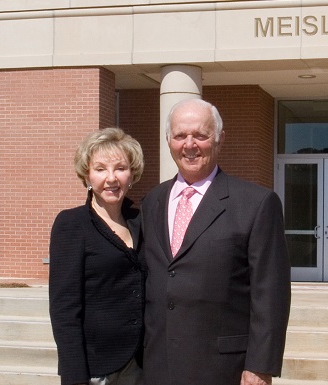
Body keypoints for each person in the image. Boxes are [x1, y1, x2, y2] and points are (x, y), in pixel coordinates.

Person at [141, 99, 292, 385]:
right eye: (180, 135)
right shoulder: (153, 201)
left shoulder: (256, 203)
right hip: (158, 364)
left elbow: (271, 293)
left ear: (220, 139)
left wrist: (260, 366)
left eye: (200, 135)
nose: (189, 145)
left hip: (224, 369)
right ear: (168, 140)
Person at [49, 127, 146, 385]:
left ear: (132, 173)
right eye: (101, 169)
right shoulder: (72, 224)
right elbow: (64, 310)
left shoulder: (142, 222)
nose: (111, 178)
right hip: (97, 368)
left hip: (142, 365)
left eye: (120, 168)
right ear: (87, 176)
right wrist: (74, 377)